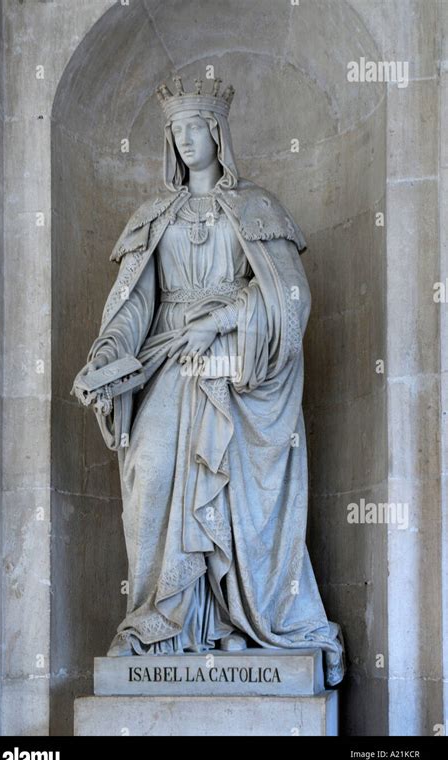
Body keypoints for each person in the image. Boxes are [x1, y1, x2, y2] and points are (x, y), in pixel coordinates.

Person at [72, 75, 345, 686]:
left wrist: (222, 319)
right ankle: (155, 622)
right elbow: (133, 304)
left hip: (233, 366)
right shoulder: (152, 218)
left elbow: (288, 297)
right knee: (153, 473)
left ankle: (238, 623)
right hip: (169, 360)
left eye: (195, 127)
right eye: (176, 130)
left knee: (233, 491)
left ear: (218, 133)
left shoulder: (258, 208)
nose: (186, 139)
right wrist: (110, 354)